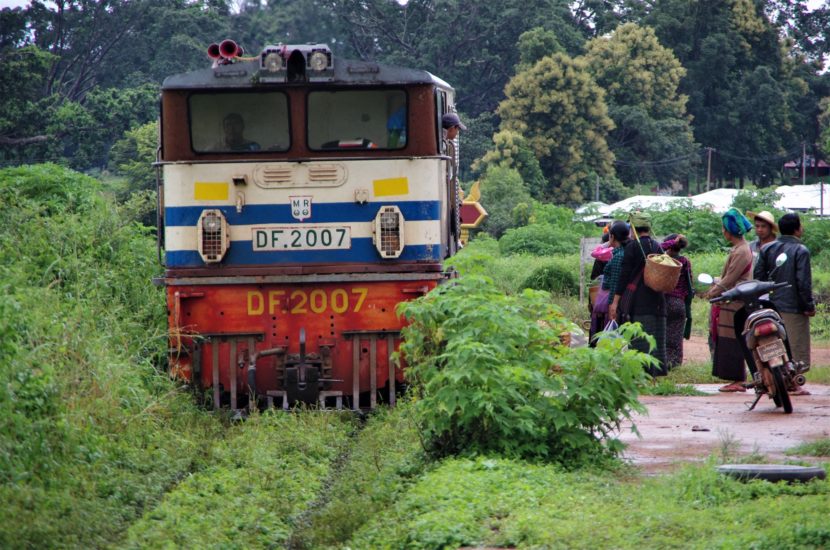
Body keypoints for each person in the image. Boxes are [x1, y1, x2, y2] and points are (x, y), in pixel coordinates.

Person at [754, 213, 815, 395]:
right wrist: (808, 306)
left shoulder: (767, 249)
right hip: (792, 306)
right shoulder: (801, 250)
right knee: (794, 346)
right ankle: (792, 383)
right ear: (797, 229)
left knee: (773, 344)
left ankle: (775, 379)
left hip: (769, 306)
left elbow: (758, 277)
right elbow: (803, 282)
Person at [609, 212, 667, 376]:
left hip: (638, 301)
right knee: (655, 336)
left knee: (639, 337)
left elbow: (624, 276)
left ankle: (641, 374)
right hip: (657, 300)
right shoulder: (657, 246)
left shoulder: (632, 247)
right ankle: (655, 374)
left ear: (633, 228)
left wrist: (614, 303)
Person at [703, 208, 753, 392]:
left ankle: (737, 379)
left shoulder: (741, 251)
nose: (722, 231)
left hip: (735, 301)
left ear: (728, 230)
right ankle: (736, 378)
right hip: (733, 299)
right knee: (730, 337)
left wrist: (713, 292)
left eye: (723, 228)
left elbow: (730, 279)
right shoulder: (740, 249)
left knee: (732, 338)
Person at [588, 222, 626, 345]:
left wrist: (612, 305)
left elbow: (614, 283)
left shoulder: (617, 256)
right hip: (612, 300)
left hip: (608, 302)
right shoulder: (620, 253)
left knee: (604, 332)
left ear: (612, 237)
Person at [661, 234, 693, 369]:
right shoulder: (684, 261)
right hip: (679, 303)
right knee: (676, 334)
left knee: (662, 333)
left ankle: (661, 362)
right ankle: (674, 363)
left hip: (662, 301)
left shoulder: (662, 260)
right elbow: (689, 283)